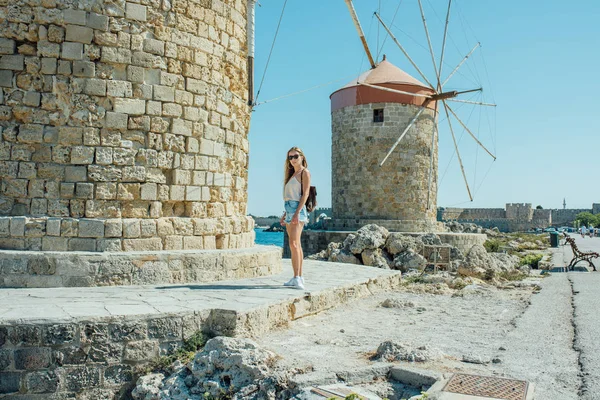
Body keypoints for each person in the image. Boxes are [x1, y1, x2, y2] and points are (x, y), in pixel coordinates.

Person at [279, 147, 311, 290]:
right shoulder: (292, 174)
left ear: (302, 157)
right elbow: (289, 196)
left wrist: (297, 213)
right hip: (289, 209)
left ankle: (298, 278)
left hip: (298, 209)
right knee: (295, 244)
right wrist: (286, 214)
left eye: (295, 156)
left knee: (293, 244)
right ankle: (297, 276)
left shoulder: (304, 173)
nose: (292, 159)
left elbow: (305, 195)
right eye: (290, 157)